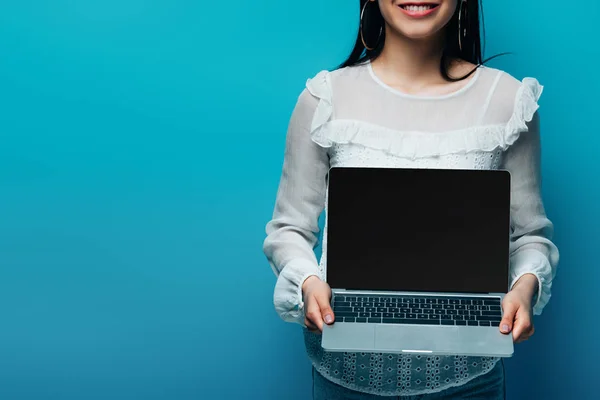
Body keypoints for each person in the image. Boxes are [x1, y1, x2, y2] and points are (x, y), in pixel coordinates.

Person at [262, 0, 560, 398]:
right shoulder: (324, 98)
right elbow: (288, 229)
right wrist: (309, 283)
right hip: (344, 379)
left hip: (469, 381)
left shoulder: (507, 100)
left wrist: (524, 287)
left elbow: (530, 235)